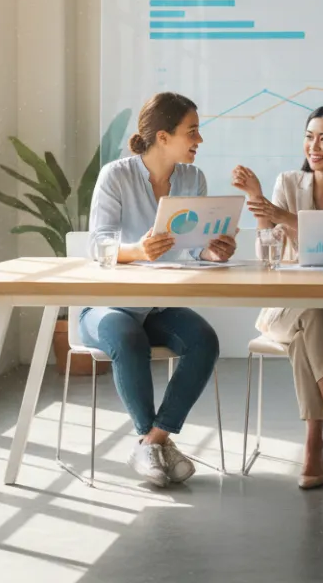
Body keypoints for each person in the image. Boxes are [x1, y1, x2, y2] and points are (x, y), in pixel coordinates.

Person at [81, 92, 237, 487]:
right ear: (163, 136)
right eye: (193, 132)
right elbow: (97, 246)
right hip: (107, 308)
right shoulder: (116, 175)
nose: (199, 140)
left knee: (204, 339)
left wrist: (212, 251)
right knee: (127, 337)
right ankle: (152, 442)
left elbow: (194, 246)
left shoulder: (192, 179)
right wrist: (137, 250)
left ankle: (154, 440)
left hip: (156, 307)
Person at [231, 105, 323, 489]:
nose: (313, 146)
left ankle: (314, 444)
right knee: (309, 314)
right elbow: (269, 247)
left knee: (309, 328)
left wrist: (284, 216)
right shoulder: (288, 183)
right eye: (309, 136)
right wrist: (260, 204)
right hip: (288, 308)